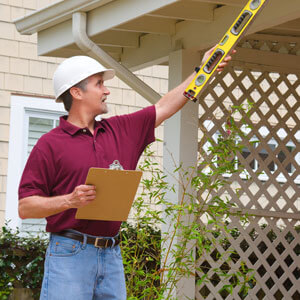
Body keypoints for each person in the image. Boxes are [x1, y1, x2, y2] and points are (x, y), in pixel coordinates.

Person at [18, 48, 234, 300]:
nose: (106, 90)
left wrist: (203, 71)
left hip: (111, 254)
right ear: (76, 92)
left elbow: (165, 106)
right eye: (99, 84)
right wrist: (70, 200)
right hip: (69, 254)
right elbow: (26, 207)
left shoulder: (121, 130)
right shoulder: (49, 144)